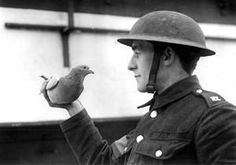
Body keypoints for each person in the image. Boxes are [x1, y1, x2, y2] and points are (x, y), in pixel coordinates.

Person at [42, 11, 236, 164]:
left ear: (167, 55)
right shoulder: (153, 119)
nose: (130, 65)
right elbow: (106, 161)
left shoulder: (215, 117)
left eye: (137, 52)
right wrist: (72, 106)